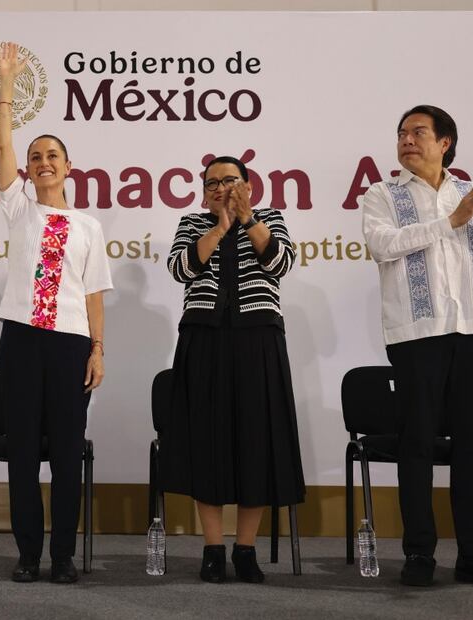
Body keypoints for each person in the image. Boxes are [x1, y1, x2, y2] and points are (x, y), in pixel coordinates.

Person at [362, 105, 473, 589]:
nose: (406, 140)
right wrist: (452, 220)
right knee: (417, 444)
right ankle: (419, 554)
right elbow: (382, 245)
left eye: (418, 133)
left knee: (471, 445)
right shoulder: (382, 193)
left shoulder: (468, 194)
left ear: (445, 143)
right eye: (401, 134)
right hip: (416, 338)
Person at [0, 42, 112, 584]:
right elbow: (3, 143)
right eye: (36, 156)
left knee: (67, 453)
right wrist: (6, 91)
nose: (42, 163)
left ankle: (62, 554)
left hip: (69, 345)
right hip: (20, 338)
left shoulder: (88, 226)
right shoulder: (19, 207)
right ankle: (27, 554)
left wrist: (97, 350)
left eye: (52, 157)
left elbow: (93, 294)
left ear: (68, 168)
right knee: (22, 451)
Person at [160, 155, 305, 583]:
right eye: (213, 183)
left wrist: (246, 219)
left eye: (230, 180)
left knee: (255, 443)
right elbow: (180, 268)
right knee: (206, 442)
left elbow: (280, 263)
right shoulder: (191, 224)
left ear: (248, 186)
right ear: (204, 193)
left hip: (257, 340)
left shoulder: (271, 219)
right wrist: (220, 226)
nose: (222, 187)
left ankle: (245, 549)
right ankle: (211, 548)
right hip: (203, 340)